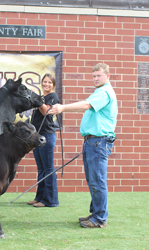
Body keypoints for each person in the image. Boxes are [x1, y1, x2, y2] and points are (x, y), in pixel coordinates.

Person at [49, 63, 118, 228]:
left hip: (98, 142)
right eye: (94, 76)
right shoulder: (99, 91)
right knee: (93, 180)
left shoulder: (104, 92)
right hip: (92, 142)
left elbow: (86, 105)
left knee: (97, 181)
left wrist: (62, 108)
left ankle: (100, 218)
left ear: (107, 76)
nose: (95, 79)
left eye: (99, 76)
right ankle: (95, 214)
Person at [28, 73, 59, 208]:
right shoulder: (41, 97)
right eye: (45, 82)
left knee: (48, 168)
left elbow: (45, 111)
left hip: (47, 135)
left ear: (53, 84)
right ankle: (40, 197)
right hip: (38, 136)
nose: (46, 84)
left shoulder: (53, 97)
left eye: (49, 82)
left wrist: (39, 101)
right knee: (41, 168)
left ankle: (50, 200)